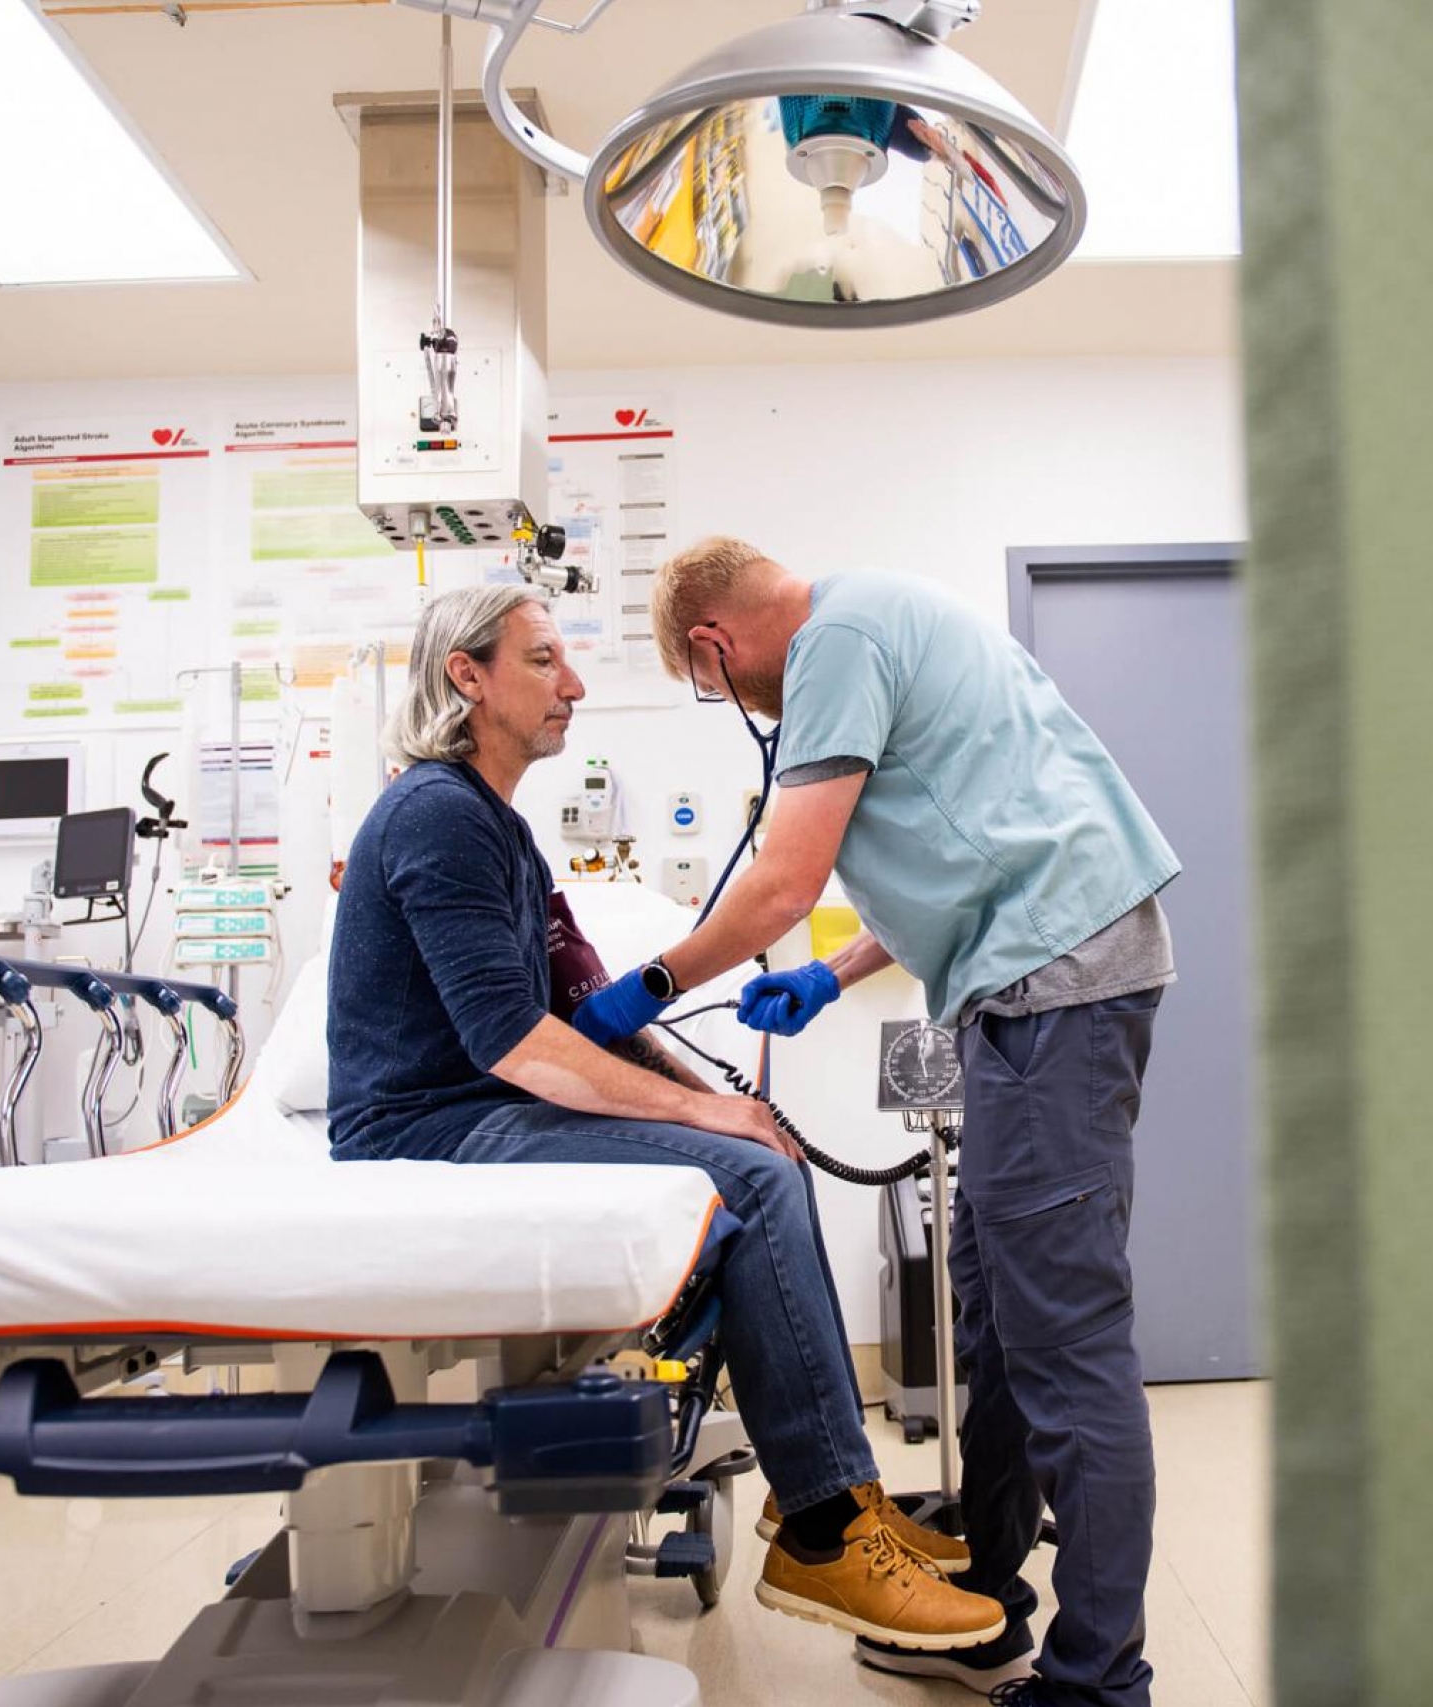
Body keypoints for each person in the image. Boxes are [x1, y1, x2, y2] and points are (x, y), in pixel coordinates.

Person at [325, 583, 1006, 1653]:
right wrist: (716, 1129)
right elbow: (515, 1044)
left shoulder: (496, 828)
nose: (575, 686)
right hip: (431, 1128)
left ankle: (829, 1502)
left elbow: (577, 1007)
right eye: (545, 660)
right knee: (750, 1177)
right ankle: (825, 1527)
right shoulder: (435, 816)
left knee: (754, 1152)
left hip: (485, 1113)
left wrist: (717, 1102)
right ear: (468, 676)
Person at [573, 540, 1180, 1707]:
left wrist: (645, 988)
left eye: (714, 686)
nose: (736, 702)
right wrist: (835, 977)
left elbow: (783, 881)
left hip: (1055, 993)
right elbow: (967, 855)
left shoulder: (830, 646)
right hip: (1029, 986)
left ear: (713, 643)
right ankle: (985, 1605)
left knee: (1063, 1344)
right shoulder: (879, 620)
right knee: (994, 1326)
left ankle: (1101, 1680)